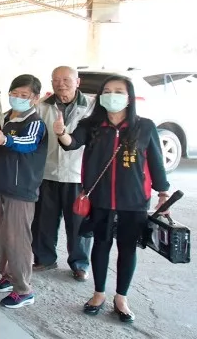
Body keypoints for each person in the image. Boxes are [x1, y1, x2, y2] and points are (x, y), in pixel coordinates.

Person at [61, 75, 171, 323]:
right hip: (100, 199)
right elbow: (71, 143)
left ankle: (121, 298)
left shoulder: (145, 127)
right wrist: (62, 133)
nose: (112, 95)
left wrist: (163, 193)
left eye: (118, 91)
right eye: (107, 91)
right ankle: (98, 294)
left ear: (129, 98)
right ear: (101, 97)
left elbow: (156, 163)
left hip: (134, 200)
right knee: (100, 244)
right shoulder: (92, 125)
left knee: (127, 248)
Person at [0, 75, 47, 309]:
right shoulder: (5, 118)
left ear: (35, 98)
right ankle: (8, 275)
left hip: (20, 190)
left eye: (24, 95)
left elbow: (29, 142)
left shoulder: (34, 122)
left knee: (17, 239)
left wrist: (5, 140)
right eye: (15, 93)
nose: (18, 98)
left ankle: (23, 289)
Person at [32, 66, 95, 281]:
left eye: (66, 79)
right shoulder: (42, 106)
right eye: (56, 80)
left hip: (77, 174)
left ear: (78, 81)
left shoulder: (91, 106)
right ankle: (44, 258)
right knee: (44, 221)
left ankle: (79, 263)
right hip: (47, 172)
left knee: (78, 222)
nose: (61, 84)